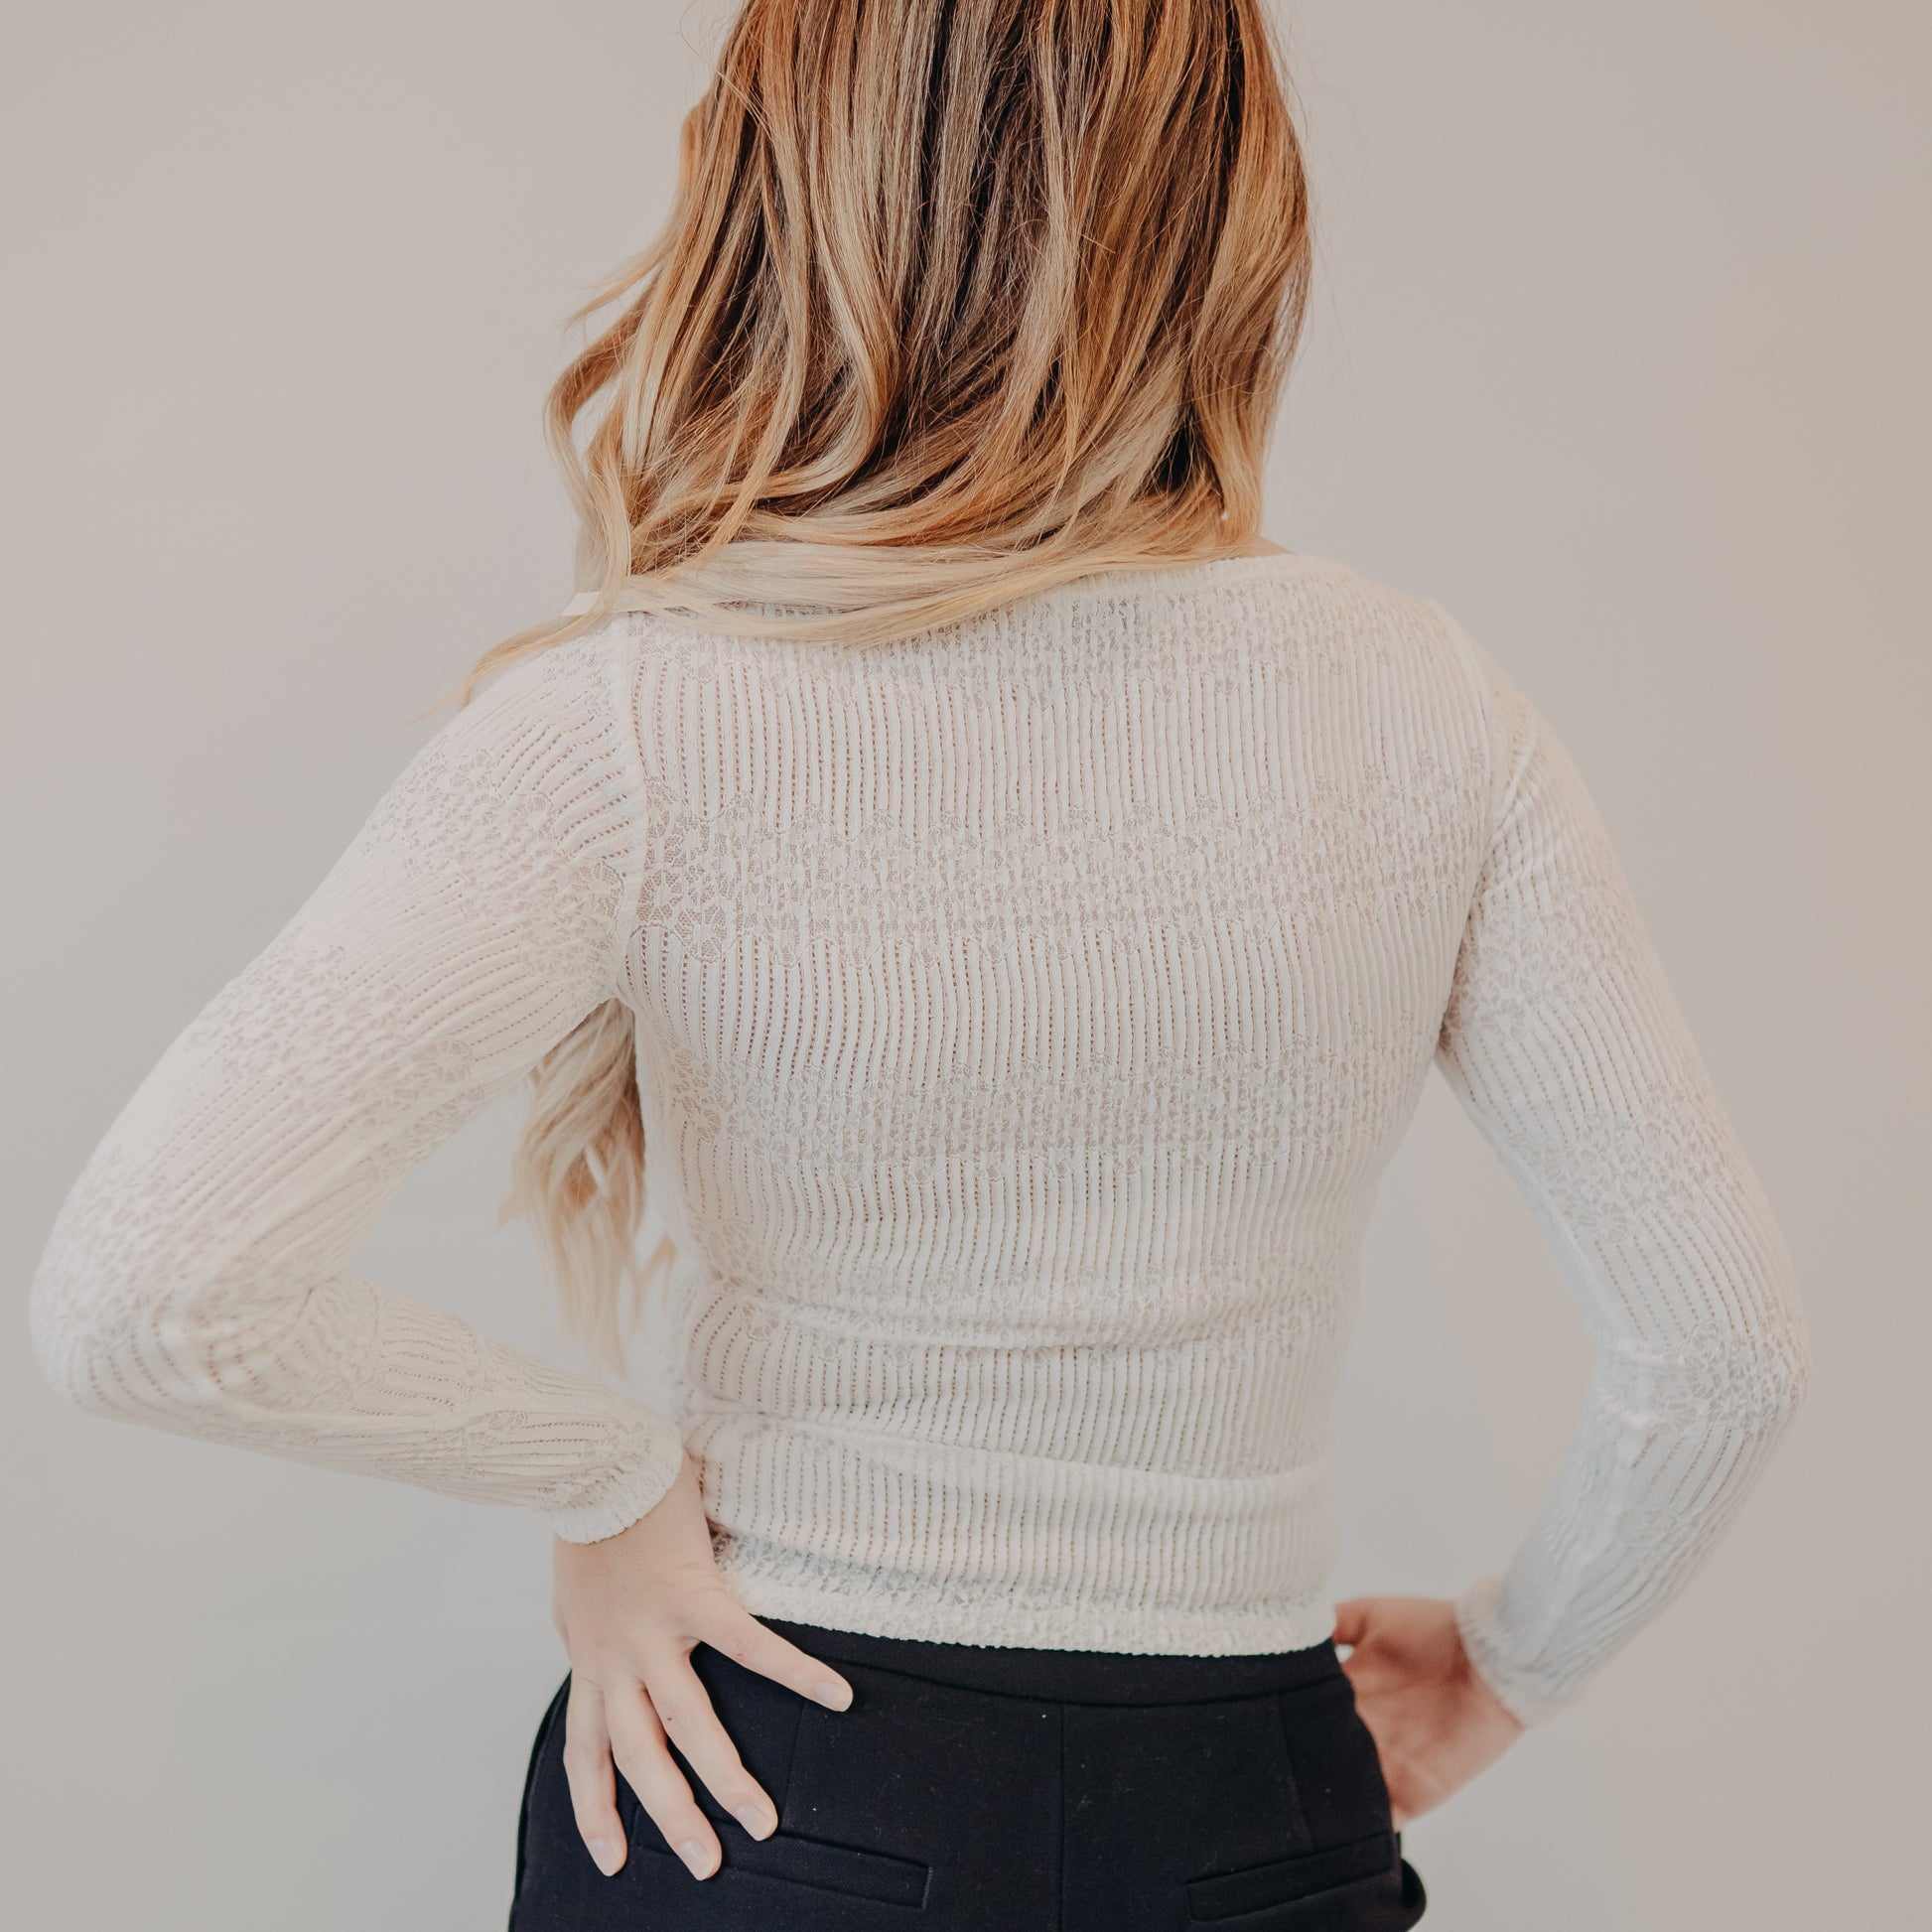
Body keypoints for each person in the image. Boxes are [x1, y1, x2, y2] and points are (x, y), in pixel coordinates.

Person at [26, 2, 1811, 1926]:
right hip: (1256, 1803)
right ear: (1230, 211)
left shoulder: (635, 722)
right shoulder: (1427, 704)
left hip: (767, 1774)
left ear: (775, 195)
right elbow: (1719, 1355)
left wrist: (603, 1479)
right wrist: (1510, 1662)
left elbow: (150, 1292)